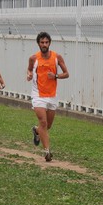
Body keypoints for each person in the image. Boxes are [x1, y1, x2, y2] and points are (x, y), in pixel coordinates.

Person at [27, 31, 70, 162]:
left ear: (49, 43)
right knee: (43, 123)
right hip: (38, 95)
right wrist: (29, 75)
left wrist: (56, 76)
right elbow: (29, 69)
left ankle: (36, 130)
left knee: (47, 126)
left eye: (46, 42)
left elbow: (67, 73)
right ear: (38, 44)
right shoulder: (33, 58)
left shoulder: (57, 57)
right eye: (42, 42)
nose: (44, 44)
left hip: (52, 95)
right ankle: (47, 152)